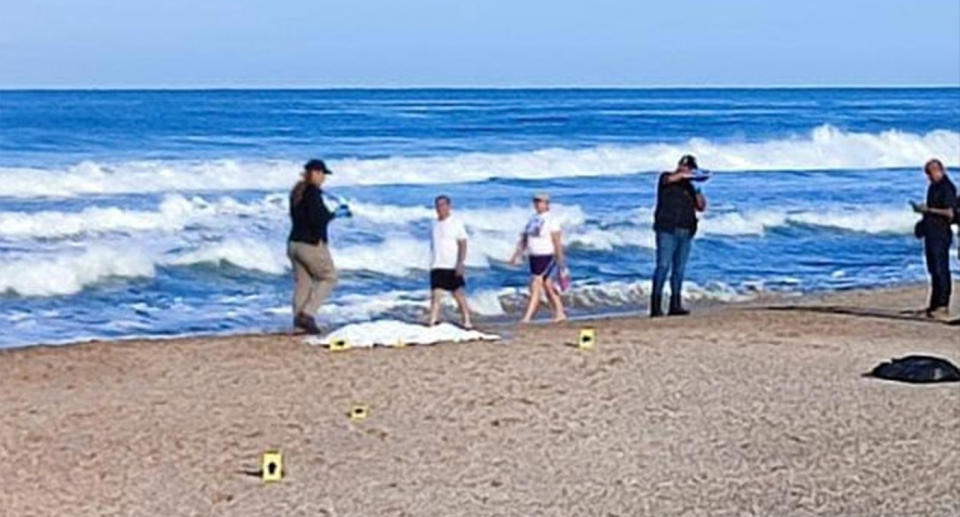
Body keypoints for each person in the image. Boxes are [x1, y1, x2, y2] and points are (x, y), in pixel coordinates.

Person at [287, 159, 351, 334]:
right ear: (315, 173)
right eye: (322, 174)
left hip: (294, 243)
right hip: (310, 244)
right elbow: (318, 218)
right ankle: (307, 314)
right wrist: (335, 214)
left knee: (303, 283)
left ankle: (299, 323)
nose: (324, 178)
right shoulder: (312, 193)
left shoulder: (297, 191)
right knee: (329, 277)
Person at [651, 154, 707, 317]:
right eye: (685, 167)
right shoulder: (666, 178)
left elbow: (701, 207)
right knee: (663, 266)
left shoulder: (690, 186)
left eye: (689, 168)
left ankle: (675, 304)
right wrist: (684, 175)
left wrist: (697, 189)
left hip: (686, 230)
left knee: (679, 269)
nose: (686, 170)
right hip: (667, 229)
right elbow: (669, 179)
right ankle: (656, 305)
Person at [509, 192, 567, 323]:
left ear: (547, 204)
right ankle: (560, 312)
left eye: (540, 202)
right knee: (547, 285)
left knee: (535, 284)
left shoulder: (551, 220)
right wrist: (517, 255)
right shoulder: (533, 219)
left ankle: (527, 317)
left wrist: (560, 259)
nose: (537, 204)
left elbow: (557, 241)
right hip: (534, 256)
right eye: (536, 202)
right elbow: (524, 238)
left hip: (546, 255)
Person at [912, 158, 956, 320]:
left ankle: (942, 305)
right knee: (933, 269)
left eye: (931, 174)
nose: (929, 178)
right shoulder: (933, 187)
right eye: (927, 175)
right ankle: (933, 305)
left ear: (940, 171)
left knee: (940, 269)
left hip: (941, 233)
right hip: (931, 232)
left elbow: (950, 213)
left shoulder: (947, 188)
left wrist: (928, 210)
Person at [428, 195, 473, 329]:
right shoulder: (434, 224)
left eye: (442, 205)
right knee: (436, 294)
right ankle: (433, 321)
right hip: (437, 263)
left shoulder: (456, 222)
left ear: (449, 206)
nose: (440, 208)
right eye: (438, 205)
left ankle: (467, 319)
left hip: (451, 264)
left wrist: (460, 263)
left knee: (457, 293)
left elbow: (463, 243)